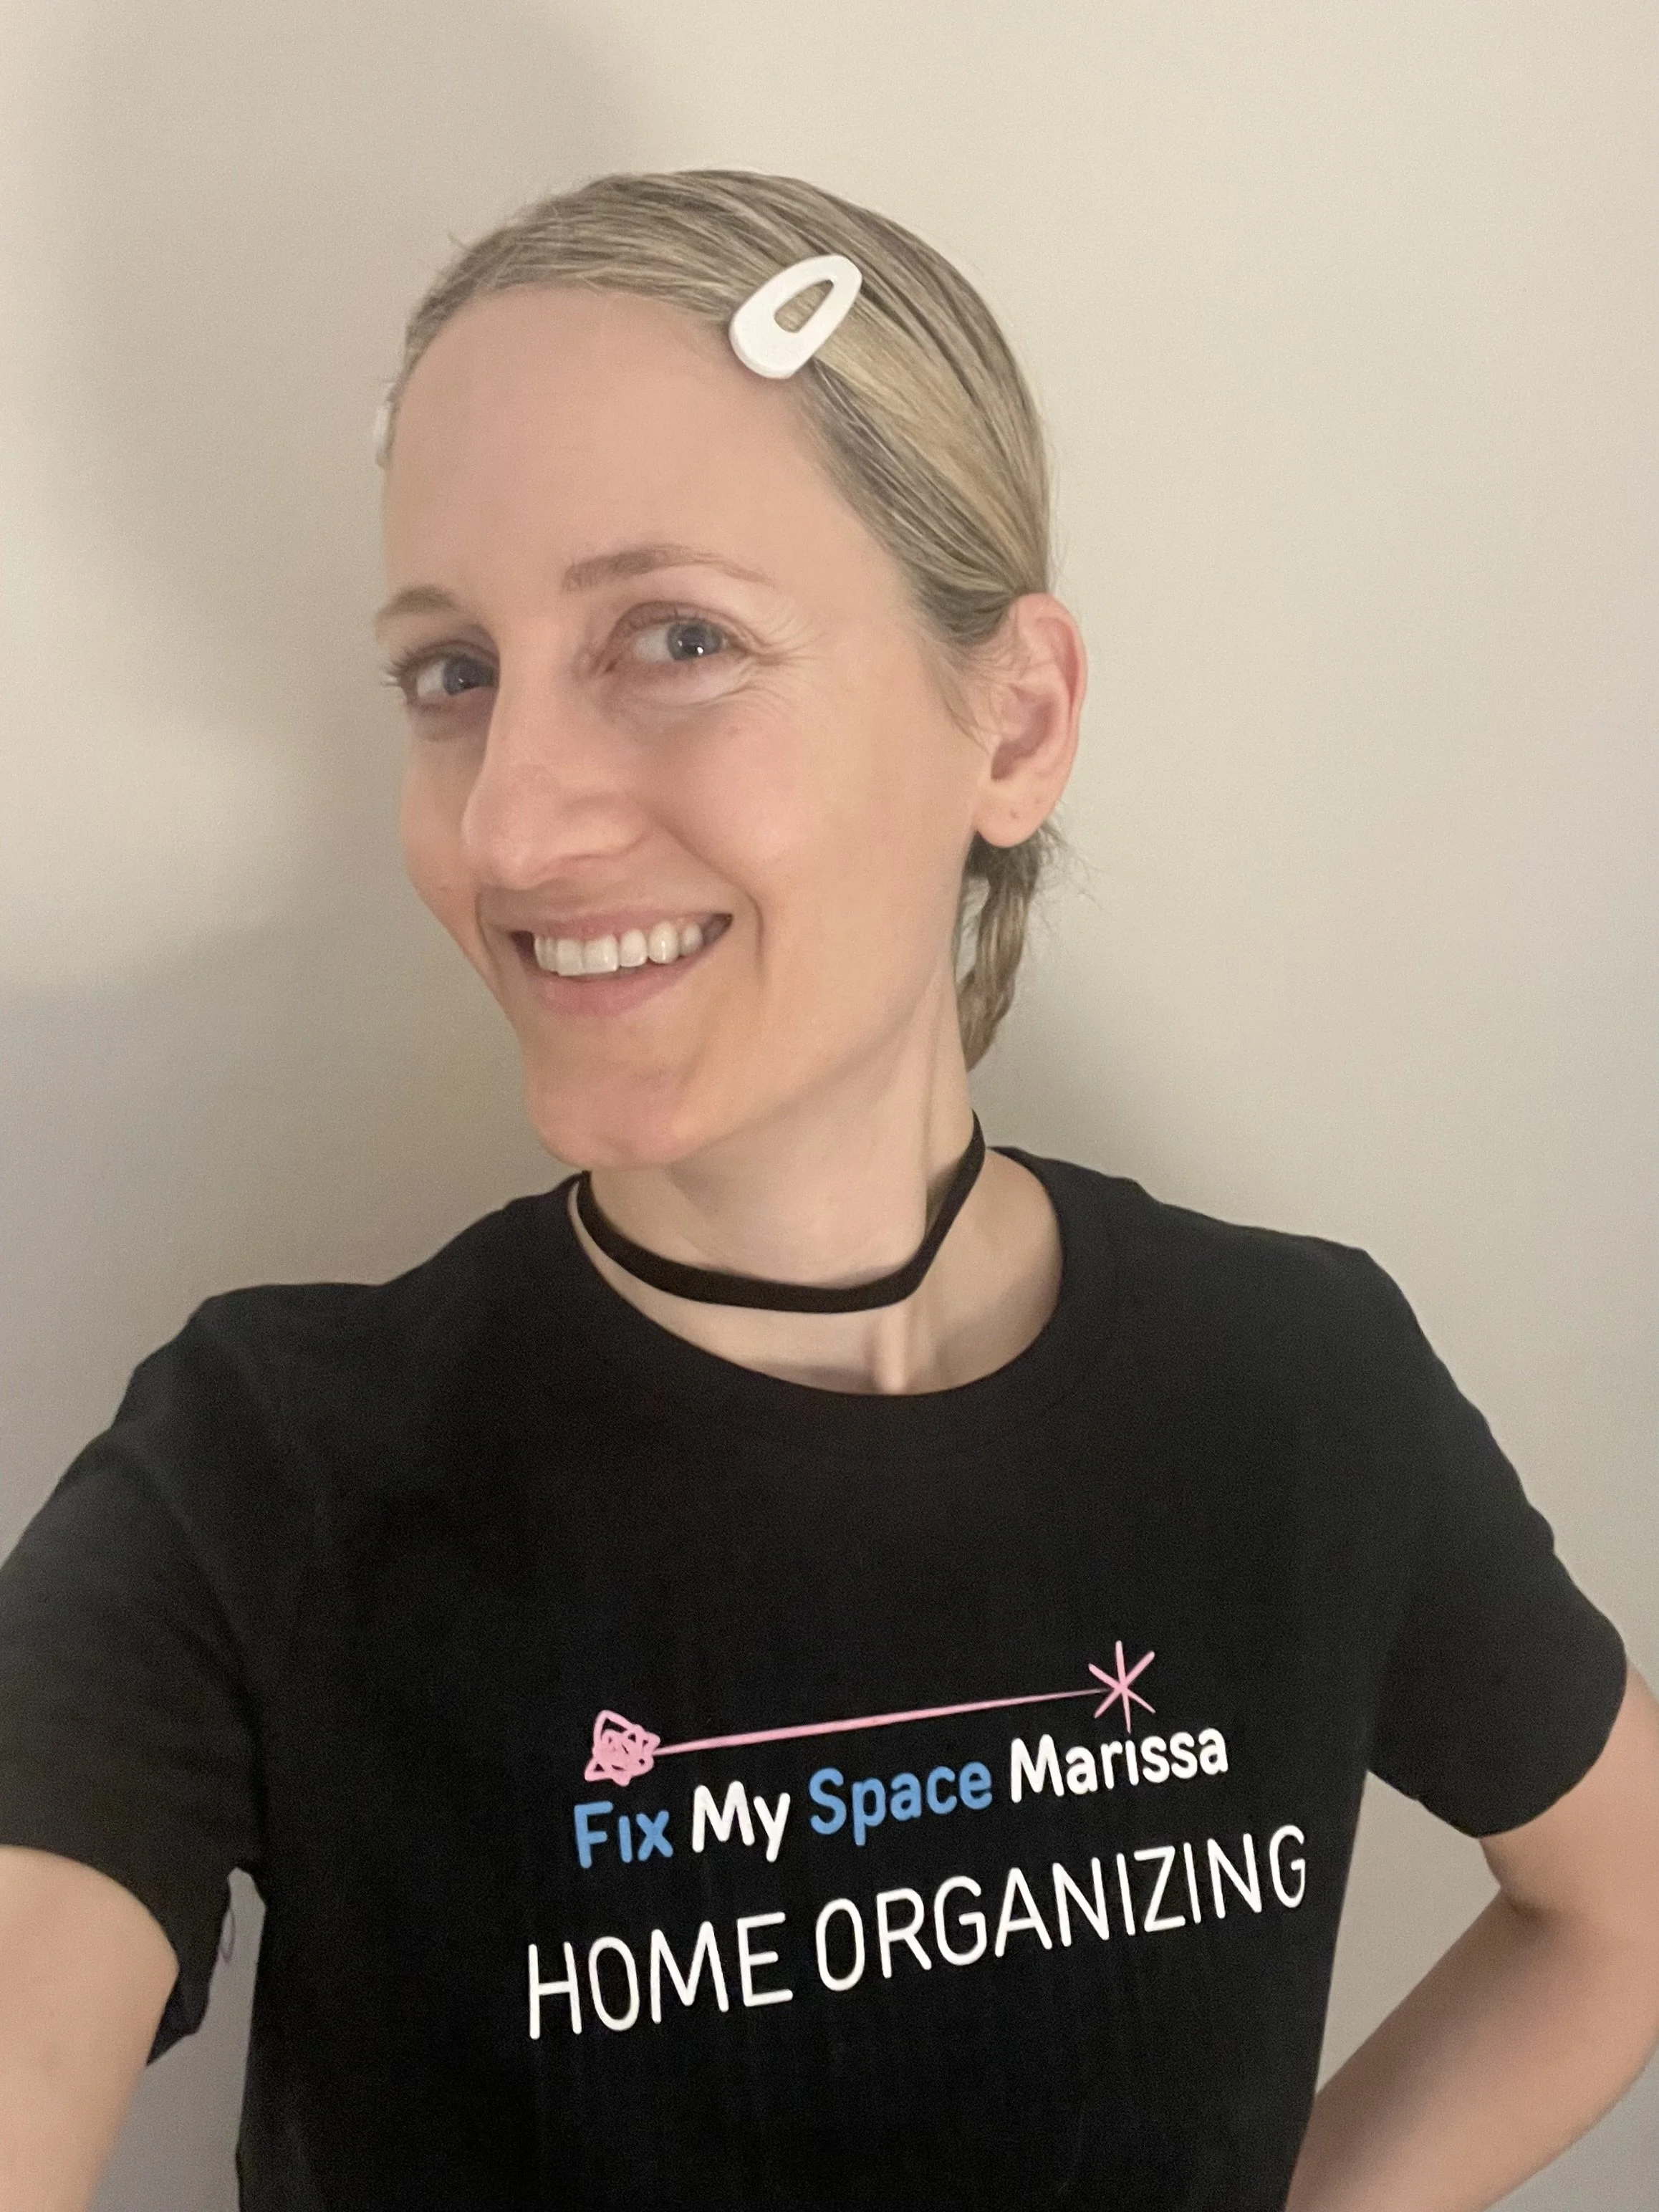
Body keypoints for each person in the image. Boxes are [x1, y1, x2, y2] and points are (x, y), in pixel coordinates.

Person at [1, 167, 1655, 2212]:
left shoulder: (1299, 1389)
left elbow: (1616, 1909)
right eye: (452, 672)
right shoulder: (266, 1476)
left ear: (1014, 723)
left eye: (676, 638)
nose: (508, 826)